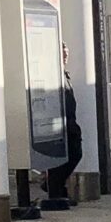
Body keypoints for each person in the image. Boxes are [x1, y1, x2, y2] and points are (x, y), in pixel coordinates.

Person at [46, 72, 84, 208]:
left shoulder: (65, 75)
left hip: (70, 121)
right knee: (62, 157)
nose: (66, 52)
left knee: (75, 153)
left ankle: (56, 187)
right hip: (59, 122)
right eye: (62, 50)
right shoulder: (53, 73)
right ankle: (56, 191)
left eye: (66, 49)